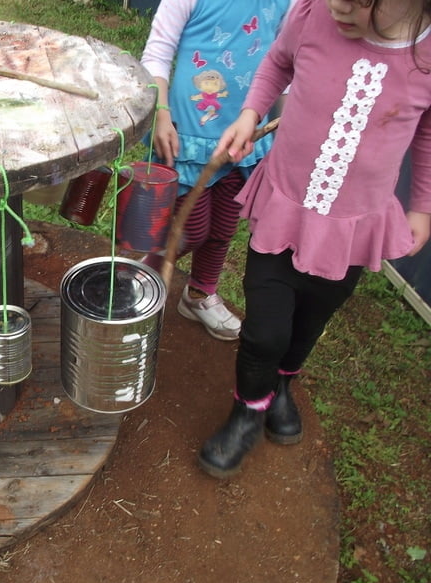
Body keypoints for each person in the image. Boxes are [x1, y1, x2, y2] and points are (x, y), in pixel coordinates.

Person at [199, 0, 431, 478]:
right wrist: (250, 112)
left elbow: (426, 135)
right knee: (265, 332)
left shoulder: (425, 57)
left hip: (351, 229)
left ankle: (282, 386)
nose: (337, 5)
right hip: (284, 210)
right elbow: (278, 63)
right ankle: (248, 411)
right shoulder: (311, 16)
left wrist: (421, 207)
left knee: (308, 323)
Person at [139, 0, 294, 341]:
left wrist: (286, 129)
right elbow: (157, 54)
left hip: (247, 140)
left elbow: (284, 67)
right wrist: (161, 113)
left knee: (224, 228)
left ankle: (198, 295)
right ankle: (141, 279)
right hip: (187, 137)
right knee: (191, 230)